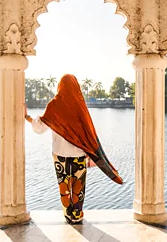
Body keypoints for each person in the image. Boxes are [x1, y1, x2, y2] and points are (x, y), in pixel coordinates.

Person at [24, 74, 123, 225]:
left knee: (64, 185)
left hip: (59, 155)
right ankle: (77, 215)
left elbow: (40, 128)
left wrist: (27, 117)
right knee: (78, 186)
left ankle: (67, 215)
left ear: (60, 86)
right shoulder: (79, 106)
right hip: (79, 154)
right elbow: (88, 131)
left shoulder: (54, 105)